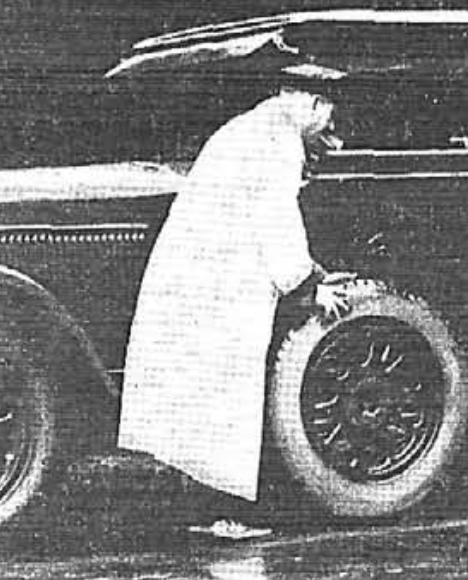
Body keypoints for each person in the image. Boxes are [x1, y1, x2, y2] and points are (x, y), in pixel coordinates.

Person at [117, 87, 351, 538]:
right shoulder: (277, 140)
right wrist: (310, 286)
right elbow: (275, 217)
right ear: (311, 109)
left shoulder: (247, 127)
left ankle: (202, 505)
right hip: (222, 281)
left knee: (199, 394)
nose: (333, 142)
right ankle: (227, 511)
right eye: (329, 127)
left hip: (197, 273)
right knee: (228, 392)